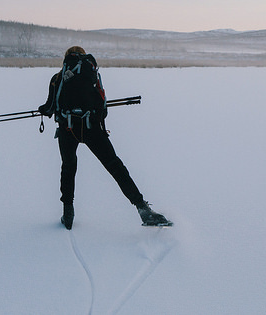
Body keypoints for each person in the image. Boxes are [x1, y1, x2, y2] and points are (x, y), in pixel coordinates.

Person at [38, 46, 172, 229]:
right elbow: (103, 108)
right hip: (92, 128)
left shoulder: (57, 79)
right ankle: (143, 209)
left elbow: (50, 107)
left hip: (67, 129)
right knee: (115, 166)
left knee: (68, 168)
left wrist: (43, 110)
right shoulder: (92, 75)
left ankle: (67, 213)